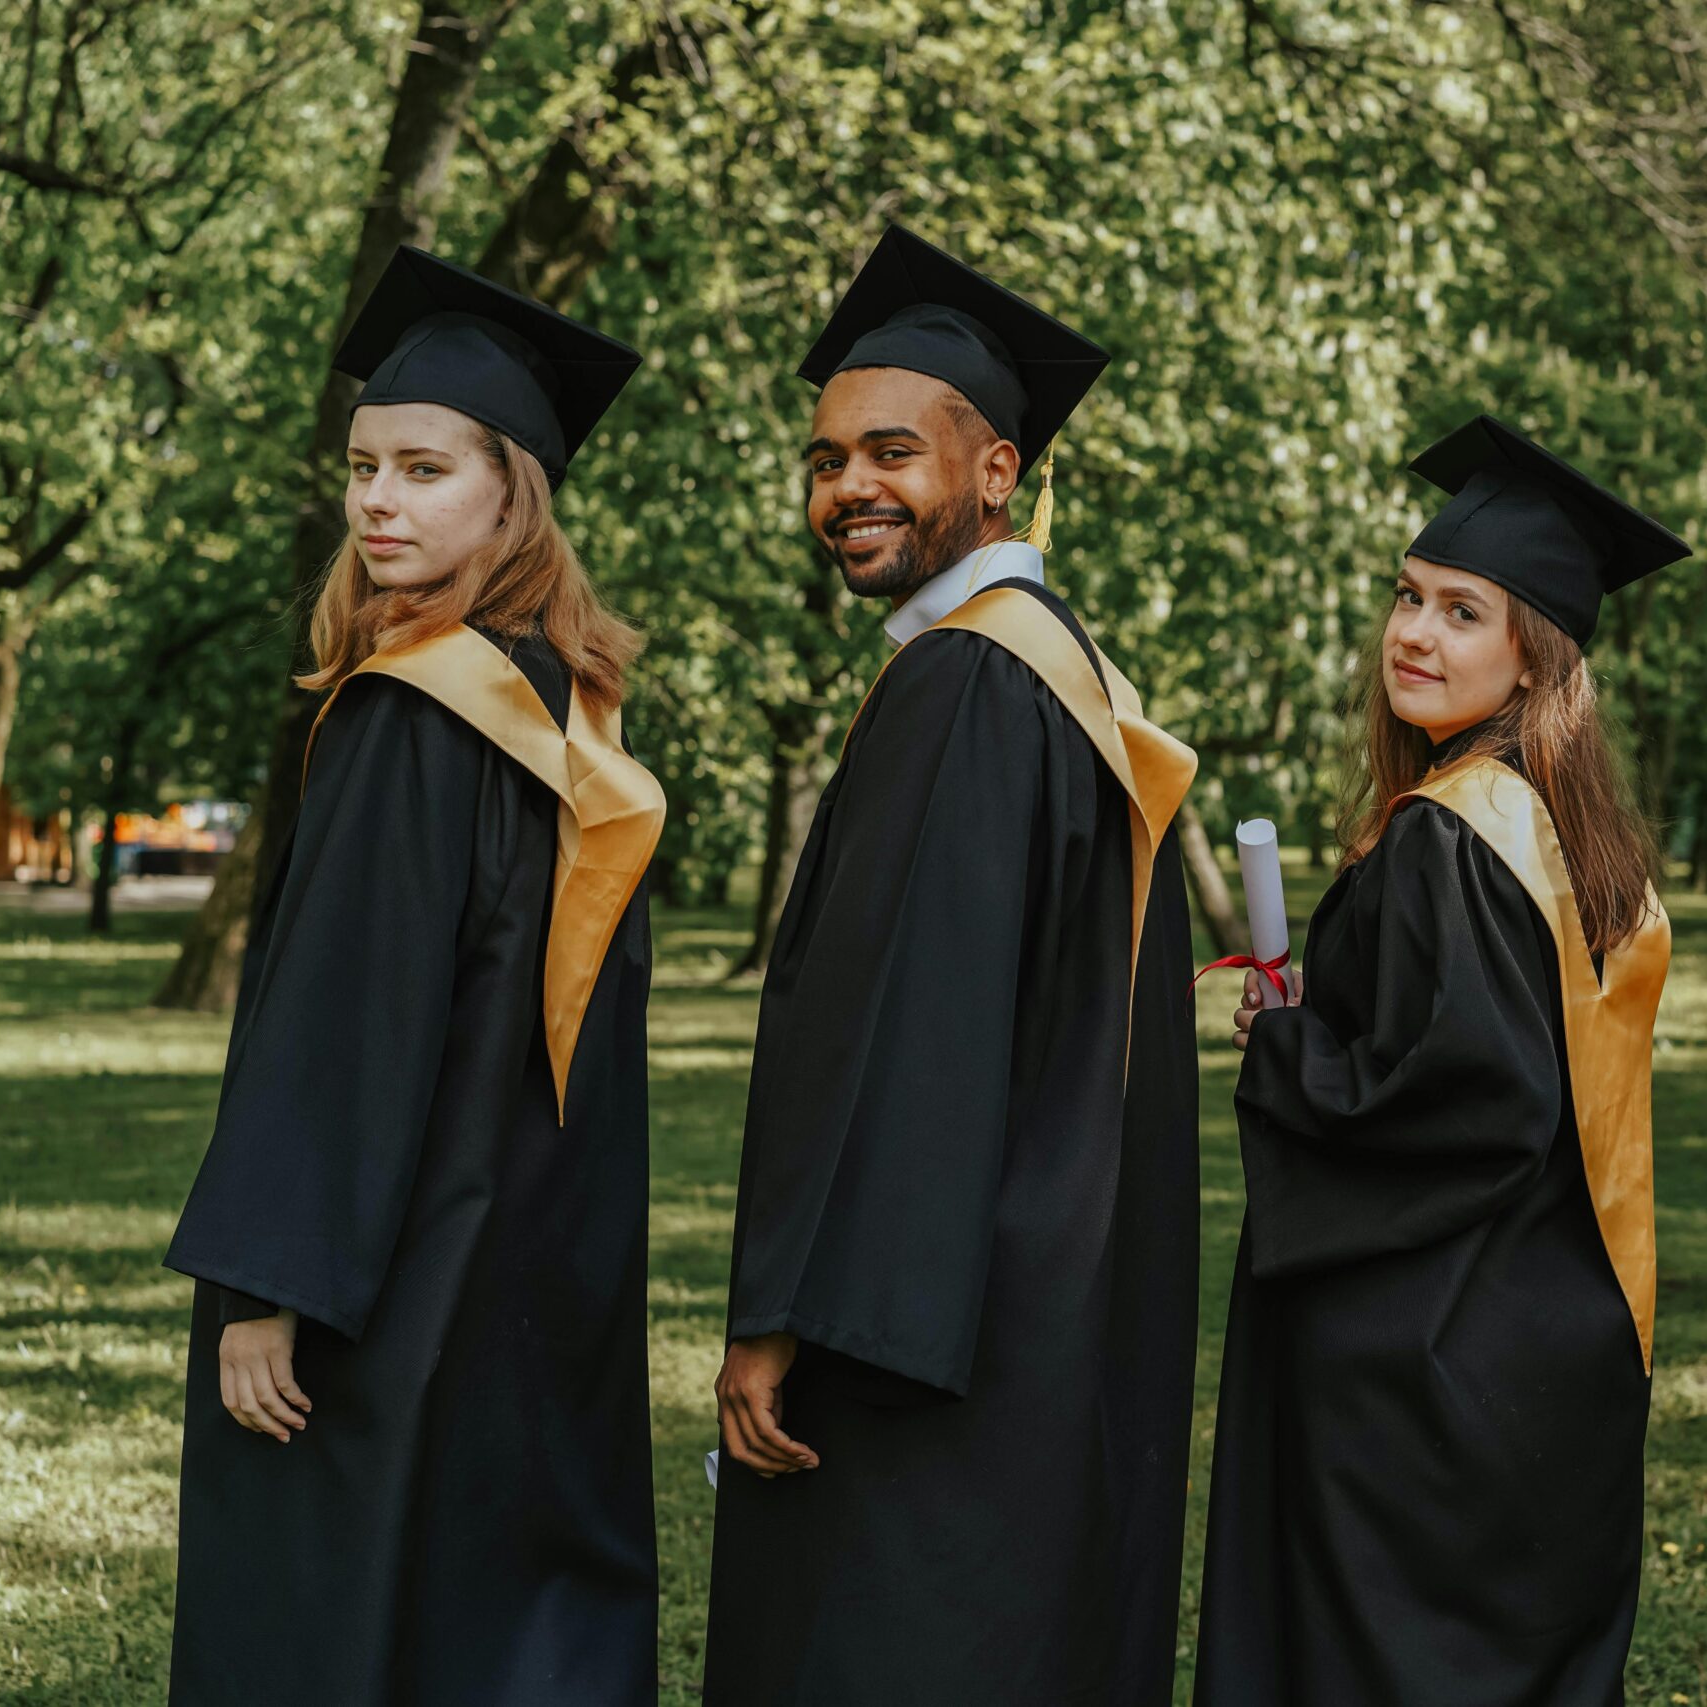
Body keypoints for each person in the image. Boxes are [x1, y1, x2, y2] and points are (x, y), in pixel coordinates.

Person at [702, 225, 1202, 1707]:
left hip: (923, 1328)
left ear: (996, 472)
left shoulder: (971, 682)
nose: (846, 488)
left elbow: (903, 1039)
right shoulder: (1059, 669)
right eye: (825, 459)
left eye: (892, 453)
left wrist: (785, 1317)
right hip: (1036, 1292)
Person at [164, 247, 664, 1704]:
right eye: (364, 466)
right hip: (526, 1257)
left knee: (344, 1600)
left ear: (513, 493)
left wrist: (268, 1278)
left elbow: (349, 1012)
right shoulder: (570, 712)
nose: (379, 500)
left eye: (425, 469)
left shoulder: (412, 710)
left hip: (383, 1268)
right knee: (488, 1606)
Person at [1193, 415, 1685, 1706]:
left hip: (1425, 1370)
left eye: (1464, 613)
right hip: (1556, 1343)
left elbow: (1465, 1098)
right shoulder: (1578, 842)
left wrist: (1290, 1054)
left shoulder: (1449, 837)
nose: (1413, 635)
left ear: (1535, 661)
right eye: (1408, 599)